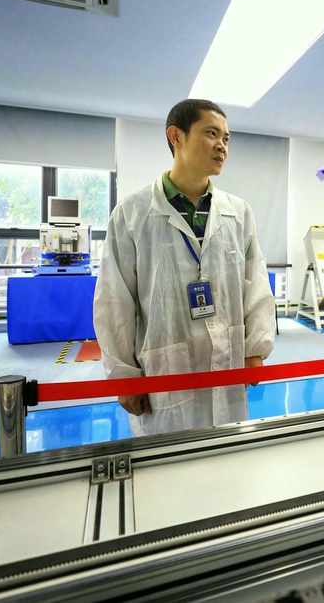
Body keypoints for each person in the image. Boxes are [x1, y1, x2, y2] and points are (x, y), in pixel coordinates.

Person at [94, 99, 275, 436]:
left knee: (226, 455)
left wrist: (255, 349)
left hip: (227, 366)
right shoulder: (132, 214)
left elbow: (256, 284)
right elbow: (114, 298)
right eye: (211, 134)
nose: (222, 146)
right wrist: (124, 375)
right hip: (164, 369)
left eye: (226, 138)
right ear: (176, 136)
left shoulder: (238, 212)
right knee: (168, 460)